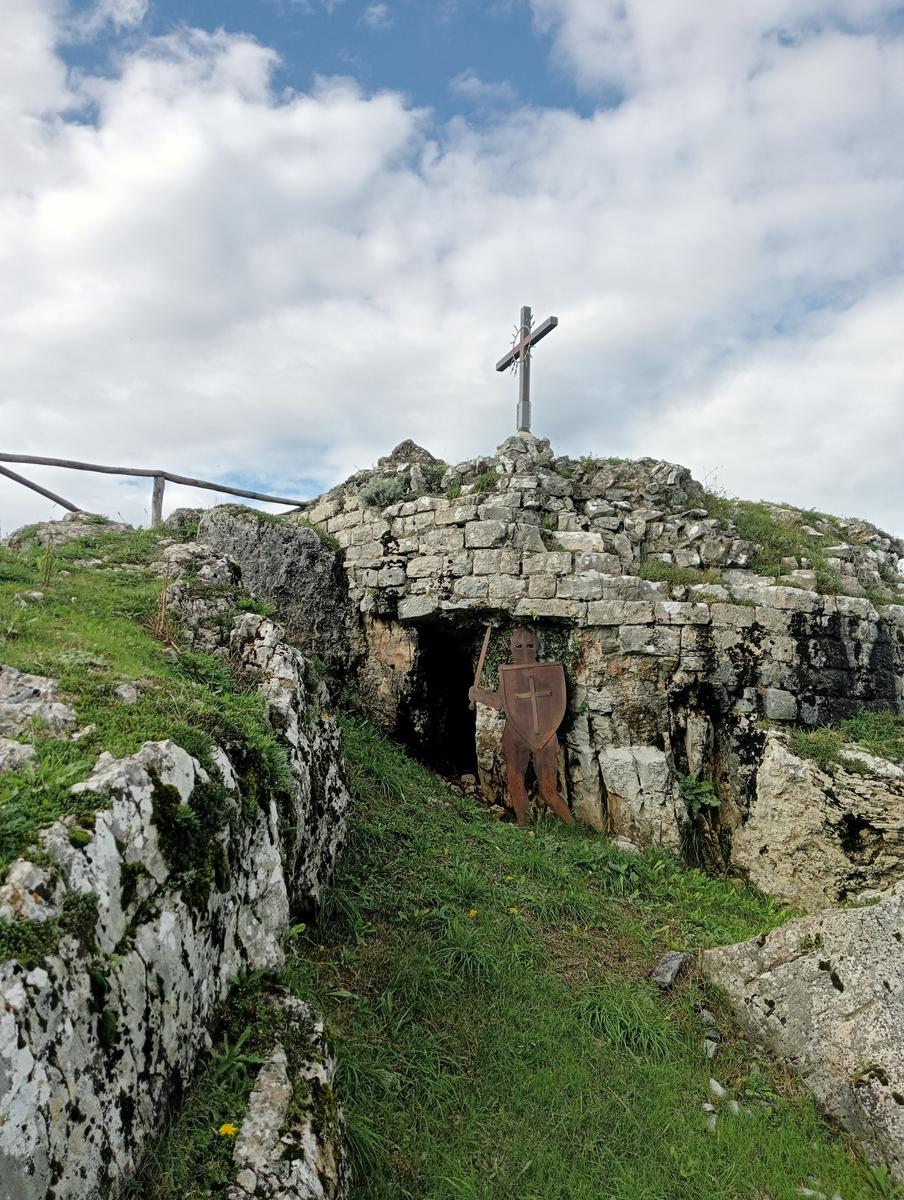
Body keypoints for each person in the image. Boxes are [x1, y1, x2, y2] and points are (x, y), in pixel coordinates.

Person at [469, 626, 573, 827]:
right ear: (511, 648)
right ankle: (523, 824)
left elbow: (498, 702)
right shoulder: (511, 674)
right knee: (516, 781)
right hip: (518, 735)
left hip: (542, 735)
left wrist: (477, 694)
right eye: (519, 646)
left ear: (536, 647)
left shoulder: (538, 673)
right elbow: (501, 702)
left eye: (529, 645)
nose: (524, 649)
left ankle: (573, 827)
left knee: (547, 790)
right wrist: (480, 694)